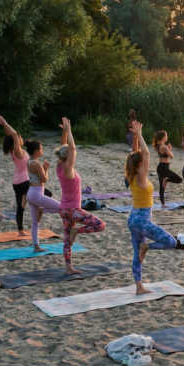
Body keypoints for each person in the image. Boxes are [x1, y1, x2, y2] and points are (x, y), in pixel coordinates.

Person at [125, 120, 184, 295]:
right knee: (170, 242)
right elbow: (145, 153)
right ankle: (147, 248)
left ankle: (139, 287)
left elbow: (136, 154)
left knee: (136, 254)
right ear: (140, 165)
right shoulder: (140, 176)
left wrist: (137, 138)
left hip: (133, 218)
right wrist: (139, 134)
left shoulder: (131, 173)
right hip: (142, 220)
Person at [55, 117, 106, 275]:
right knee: (100, 225)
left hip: (63, 209)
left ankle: (68, 267)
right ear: (67, 158)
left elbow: (65, 149)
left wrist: (64, 132)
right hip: (72, 210)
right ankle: (77, 232)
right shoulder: (68, 169)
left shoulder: (59, 166)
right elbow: (72, 149)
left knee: (66, 238)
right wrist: (69, 131)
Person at [0, 115, 32, 236]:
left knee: (19, 209)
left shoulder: (13, 150)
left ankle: (20, 231)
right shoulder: (18, 151)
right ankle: (25, 199)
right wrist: (5, 122)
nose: (20, 138)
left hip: (16, 182)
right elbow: (14, 135)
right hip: (24, 181)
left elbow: (11, 136)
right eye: (20, 137)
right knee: (46, 193)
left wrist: (4, 127)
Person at [24, 139, 59, 253]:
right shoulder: (37, 164)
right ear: (35, 151)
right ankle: (42, 210)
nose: (42, 150)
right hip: (36, 194)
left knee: (35, 223)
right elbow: (44, 179)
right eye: (41, 148)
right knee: (62, 207)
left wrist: (43, 169)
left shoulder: (29, 162)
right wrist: (46, 169)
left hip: (31, 193)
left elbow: (37, 177)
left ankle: (36, 247)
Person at [153, 130, 182, 209]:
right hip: (164, 168)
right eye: (166, 136)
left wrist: (168, 149)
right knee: (179, 180)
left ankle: (163, 204)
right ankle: (167, 180)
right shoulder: (164, 147)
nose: (167, 137)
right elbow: (171, 156)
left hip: (160, 167)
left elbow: (167, 155)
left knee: (161, 187)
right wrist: (170, 149)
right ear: (163, 137)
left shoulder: (159, 145)